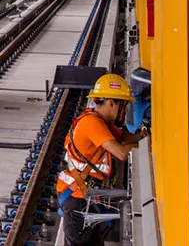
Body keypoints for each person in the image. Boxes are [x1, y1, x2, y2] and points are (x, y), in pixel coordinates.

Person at [56, 73, 146, 246]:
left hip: (84, 198)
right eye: (124, 105)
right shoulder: (92, 123)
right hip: (77, 200)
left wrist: (143, 136)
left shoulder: (100, 121)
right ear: (112, 103)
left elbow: (125, 137)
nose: (126, 110)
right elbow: (121, 152)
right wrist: (145, 145)